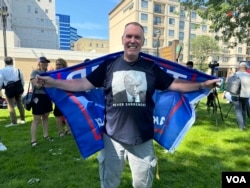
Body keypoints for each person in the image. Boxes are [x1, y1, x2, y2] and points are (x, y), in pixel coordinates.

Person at [36, 22, 219, 188]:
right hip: (112, 138)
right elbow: (82, 84)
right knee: (109, 183)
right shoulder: (109, 65)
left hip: (142, 138)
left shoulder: (151, 68)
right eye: (129, 36)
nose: (132, 40)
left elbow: (174, 84)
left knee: (142, 184)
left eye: (137, 37)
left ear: (142, 41)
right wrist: (52, 83)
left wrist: (202, 85)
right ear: (123, 39)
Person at [30, 56, 53, 147]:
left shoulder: (48, 73)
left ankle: (46, 135)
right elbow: (36, 85)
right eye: (43, 62)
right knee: (36, 119)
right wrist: (46, 83)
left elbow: (51, 84)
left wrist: (44, 83)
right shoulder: (35, 72)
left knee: (46, 116)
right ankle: (33, 140)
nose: (45, 63)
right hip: (38, 97)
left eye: (46, 62)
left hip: (47, 96)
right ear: (39, 63)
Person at [0, 56, 25, 127]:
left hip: (9, 89)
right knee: (19, 103)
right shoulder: (18, 70)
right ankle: (22, 119)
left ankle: (14, 122)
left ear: (5, 62)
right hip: (18, 89)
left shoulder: (2, 71)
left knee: (11, 105)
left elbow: (0, 81)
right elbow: (22, 80)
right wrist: (21, 88)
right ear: (12, 62)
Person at [53, 58, 71, 137]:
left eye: (60, 64)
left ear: (64, 65)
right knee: (58, 115)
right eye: (57, 64)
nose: (58, 66)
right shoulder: (53, 74)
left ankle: (68, 129)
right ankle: (60, 132)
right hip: (57, 97)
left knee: (67, 113)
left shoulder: (68, 73)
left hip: (66, 96)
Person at [230, 62, 250, 130]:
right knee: (243, 110)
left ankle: (241, 127)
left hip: (236, 94)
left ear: (239, 67)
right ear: (246, 68)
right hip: (246, 95)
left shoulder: (235, 74)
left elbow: (229, 84)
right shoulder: (248, 75)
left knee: (238, 111)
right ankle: (243, 125)